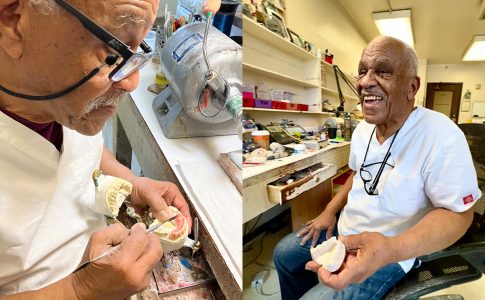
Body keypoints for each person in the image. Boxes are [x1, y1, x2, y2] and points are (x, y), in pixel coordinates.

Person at [0, 0, 219, 298]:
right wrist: (78, 291)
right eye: (114, 53)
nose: (132, 82)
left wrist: (133, 183)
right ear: (14, 23)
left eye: (138, 50)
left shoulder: (61, 104)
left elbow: (82, 152)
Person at [274, 36, 482, 299]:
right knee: (284, 255)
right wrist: (329, 211)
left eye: (382, 71)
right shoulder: (363, 129)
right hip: (346, 230)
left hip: (392, 249)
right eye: (362, 71)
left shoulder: (441, 135)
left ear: (412, 86)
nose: (364, 82)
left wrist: (390, 249)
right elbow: (357, 176)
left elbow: (460, 214)